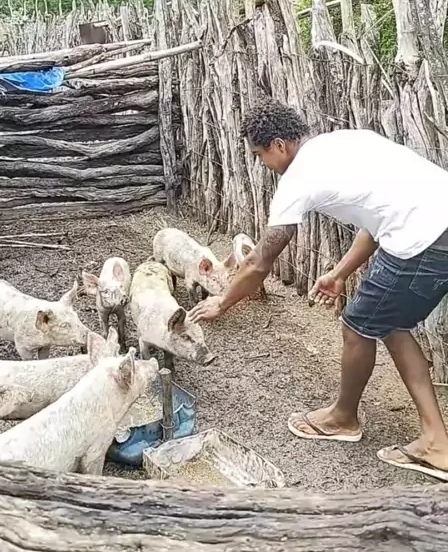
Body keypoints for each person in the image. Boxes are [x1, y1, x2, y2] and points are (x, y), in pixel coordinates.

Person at [189, 99, 448, 481]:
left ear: (279, 145)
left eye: (261, 155)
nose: (263, 164)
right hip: (436, 223)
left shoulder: (297, 181)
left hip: (424, 240)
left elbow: (260, 261)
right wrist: (340, 273)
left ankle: (344, 420)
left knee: (357, 325)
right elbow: (377, 219)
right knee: (390, 323)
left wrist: (223, 302)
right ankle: (434, 439)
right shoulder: (344, 142)